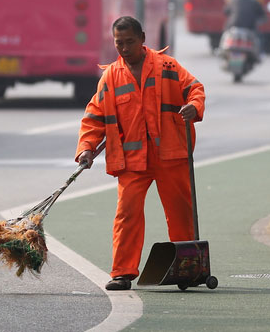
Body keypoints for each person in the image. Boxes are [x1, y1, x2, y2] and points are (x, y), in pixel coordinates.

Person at [75, 16, 206, 291]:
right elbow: (94, 116)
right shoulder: (110, 76)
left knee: (180, 212)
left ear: (143, 38)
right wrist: (86, 148)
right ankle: (122, 273)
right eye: (118, 43)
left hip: (171, 155)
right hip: (133, 162)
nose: (124, 48)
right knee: (127, 213)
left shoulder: (167, 66)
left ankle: (189, 268)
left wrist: (194, 106)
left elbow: (194, 88)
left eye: (130, 42)